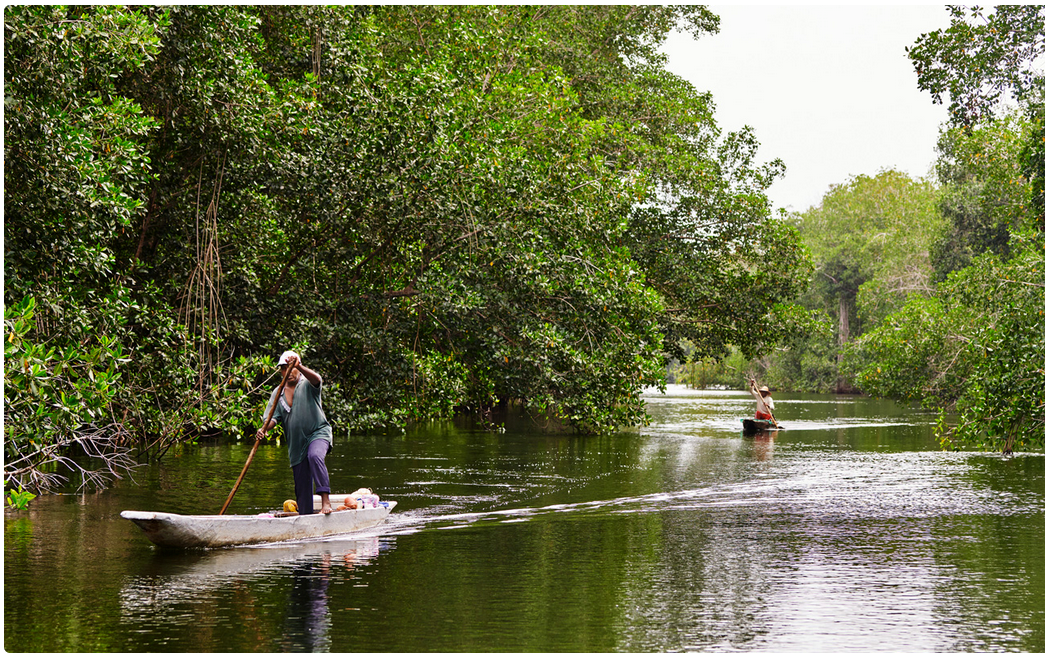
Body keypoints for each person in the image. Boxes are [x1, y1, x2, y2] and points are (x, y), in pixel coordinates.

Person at [257, 351, 334, 515]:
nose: (287, 372)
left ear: (298, 368)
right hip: (296, 445)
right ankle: (305, 516)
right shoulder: (278, 393)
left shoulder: (307, 384)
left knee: (315, 456)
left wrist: (298, 364)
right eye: (284, 369)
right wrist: (264, 429)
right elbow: (272, 419)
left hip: (318, 433)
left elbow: (317, 379)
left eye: (290, 368)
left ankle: (326, 502)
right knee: (302, 487)